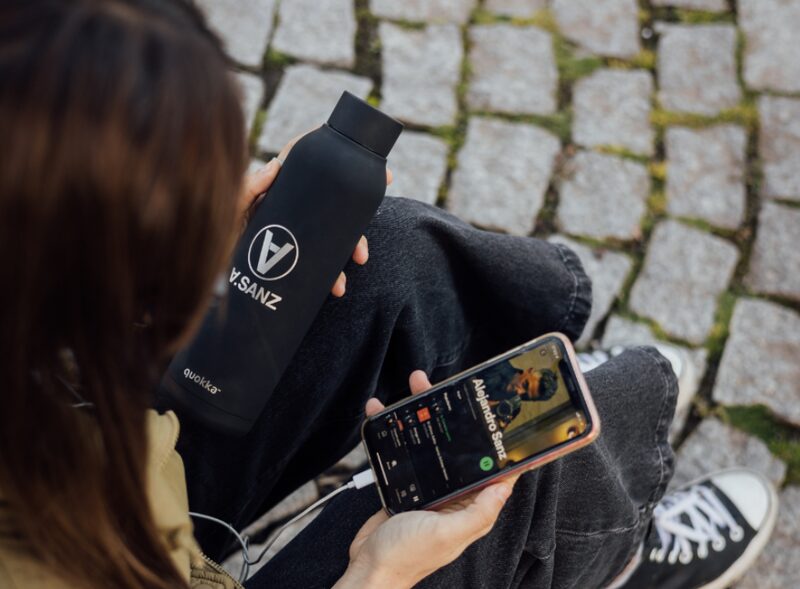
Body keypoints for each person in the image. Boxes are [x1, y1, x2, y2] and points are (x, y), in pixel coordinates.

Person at [0, 1, 778, 588]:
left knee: (387, 263)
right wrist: (378, 574)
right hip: (129, 543)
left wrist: (169, 260)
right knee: (511, 503)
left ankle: (546, 360)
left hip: (109, 448)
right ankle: (613, 546)